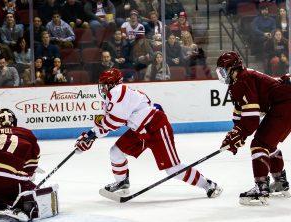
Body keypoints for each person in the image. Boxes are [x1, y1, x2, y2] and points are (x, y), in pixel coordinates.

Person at [74, 68, 222, 198]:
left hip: (156, 127)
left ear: (113, 84)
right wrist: (89, 137)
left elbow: (115, 121)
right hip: (139, 131)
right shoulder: (110, 99)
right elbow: (107, 123)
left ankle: (208, 185)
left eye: (106, 85)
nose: (103, 88)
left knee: (172, 169)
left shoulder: (119, 91)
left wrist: (93, 135)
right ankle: (122, 182)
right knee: (116, 152)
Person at [216, 51, 291, 206]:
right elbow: (239, 112)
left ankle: (261, 188)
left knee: (259, 145)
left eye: (224, 70)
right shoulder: (239, 81)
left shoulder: (242, 80)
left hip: (284, 105)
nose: (222, 74)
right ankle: (280, 181)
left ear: (232, 68)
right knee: (268, 143)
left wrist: (239, 135)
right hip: (284, 104)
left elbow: (251, 118)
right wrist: (233, 134)